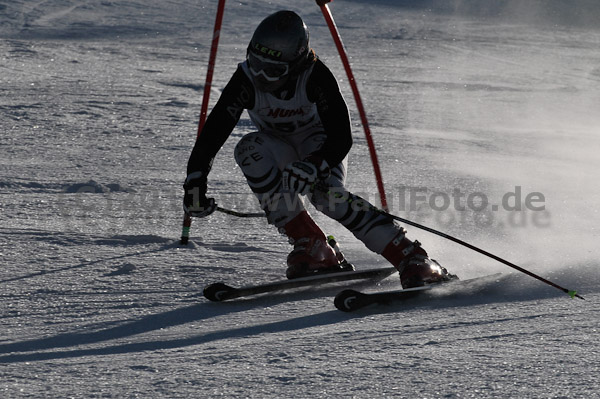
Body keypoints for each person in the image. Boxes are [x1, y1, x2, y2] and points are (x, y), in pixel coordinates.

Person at [184, 10, 453, 287]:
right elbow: (213, 134)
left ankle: (411, 255)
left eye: (274, 70)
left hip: (322, 145)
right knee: (248, 149)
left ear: (296, 64)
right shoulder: (245, 79)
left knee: (325, 197)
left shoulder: (315, 76)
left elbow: (342, 137)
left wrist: (315, 164)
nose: (262, 76)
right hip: (280, 146)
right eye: (256, 63)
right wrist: (195, 181)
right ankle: (313, 245)